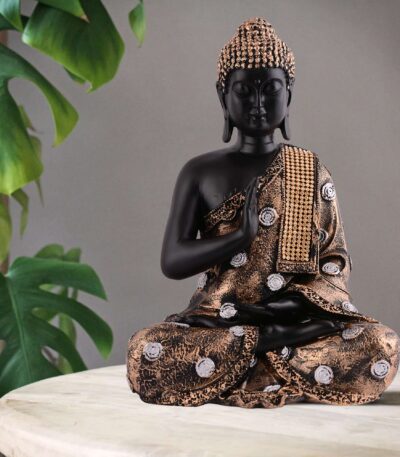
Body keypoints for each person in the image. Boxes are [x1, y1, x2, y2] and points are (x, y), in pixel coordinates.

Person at [127, 17, 400, 408]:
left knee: (381, 343)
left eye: (270, 90)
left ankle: (251, 355)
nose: (257, 103)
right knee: (146, 349)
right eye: (244, 91)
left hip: (293, 321)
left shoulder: (308, 171)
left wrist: (285, 310)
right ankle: (271, 350)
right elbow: (173, 261)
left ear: (289, 94)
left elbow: (334, 266)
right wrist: (238, 238)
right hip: (220, 318)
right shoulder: (199, 172)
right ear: (223, 97)